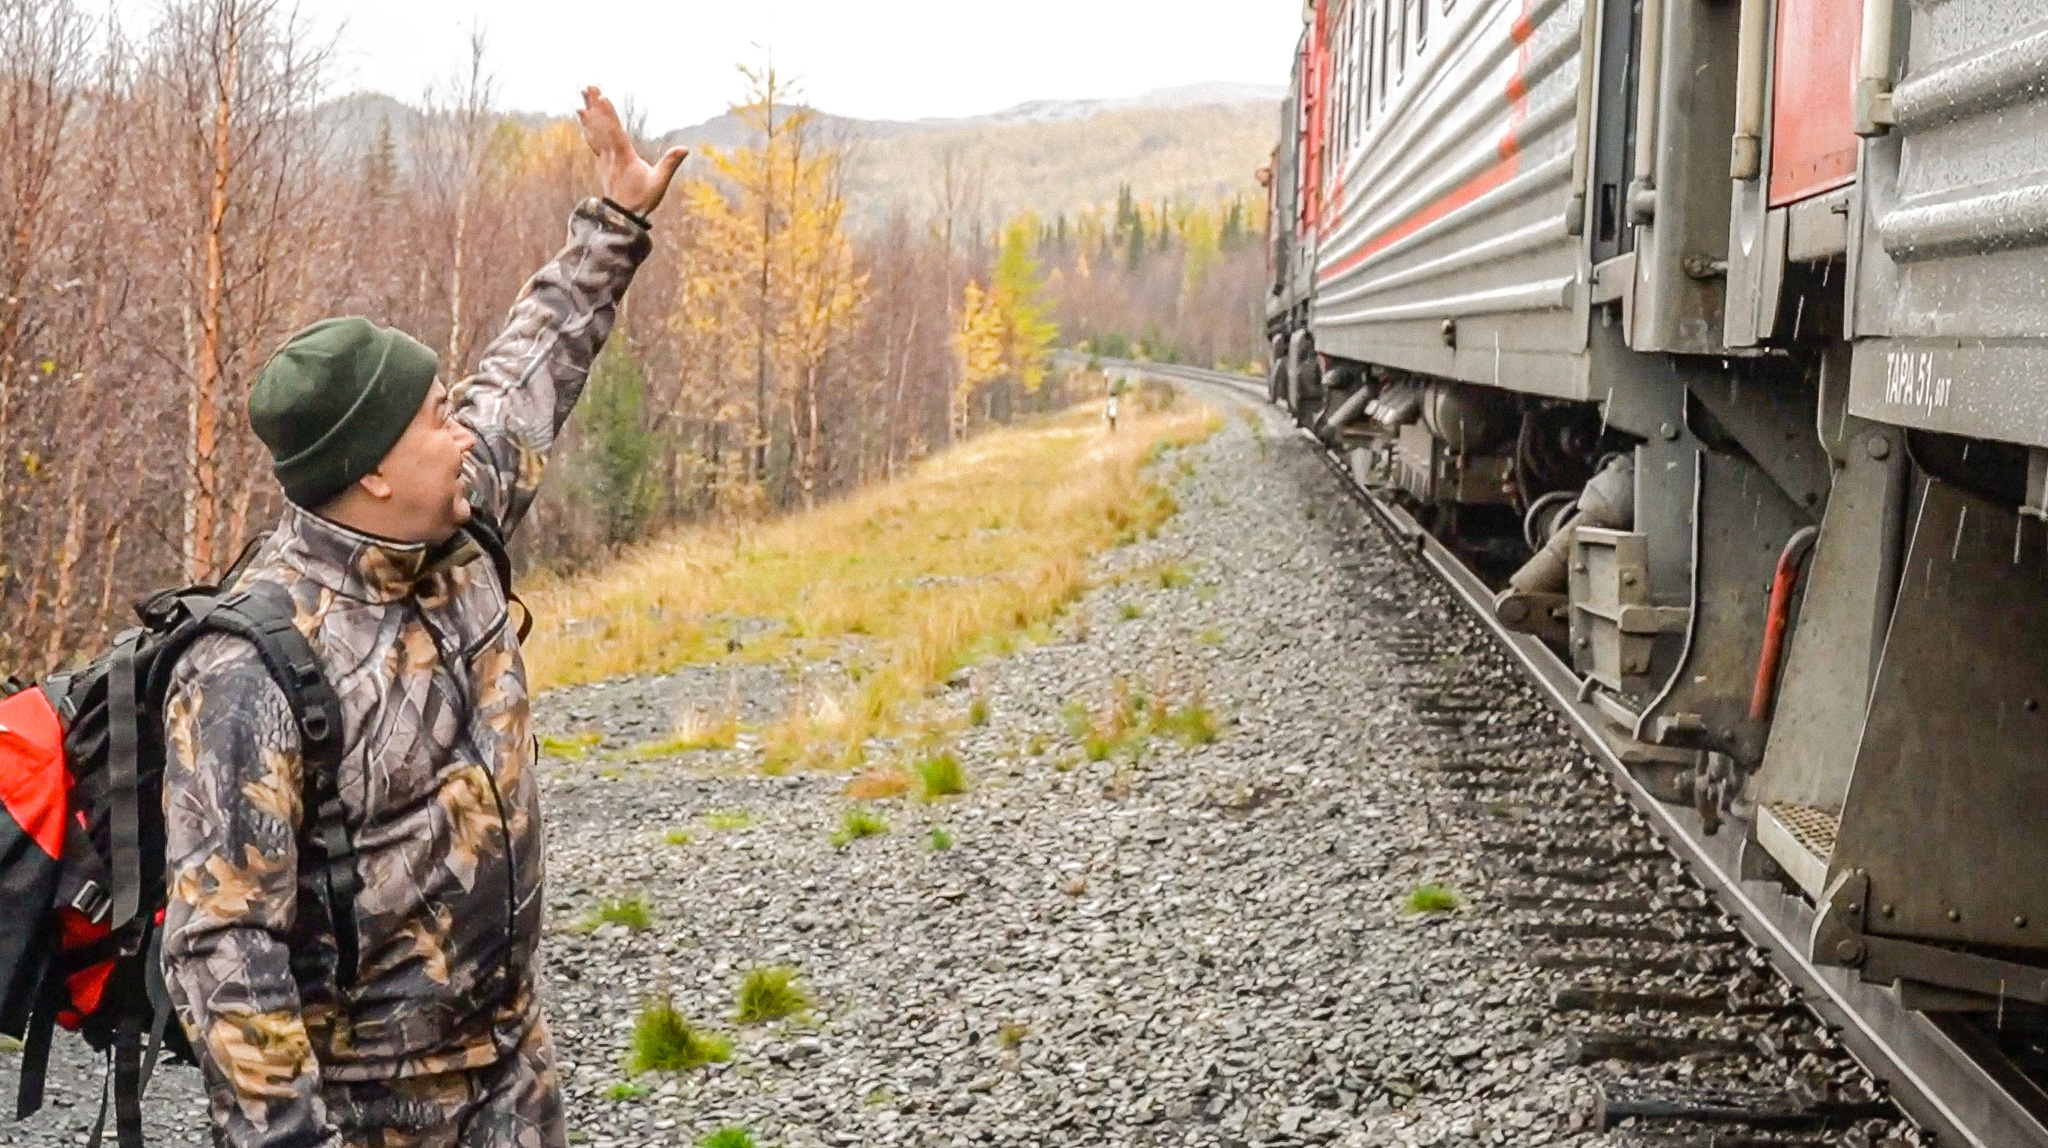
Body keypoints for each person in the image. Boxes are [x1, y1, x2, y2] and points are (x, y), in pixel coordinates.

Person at [157, 87, 685, 1148]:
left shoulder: (452, 518)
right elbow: (224, 952)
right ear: (371, 469)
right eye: (436, 416)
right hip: (374, 1113)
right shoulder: (248, 668)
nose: (463, 431)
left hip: (513, 1069)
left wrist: (614, 222)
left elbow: (530, 366)